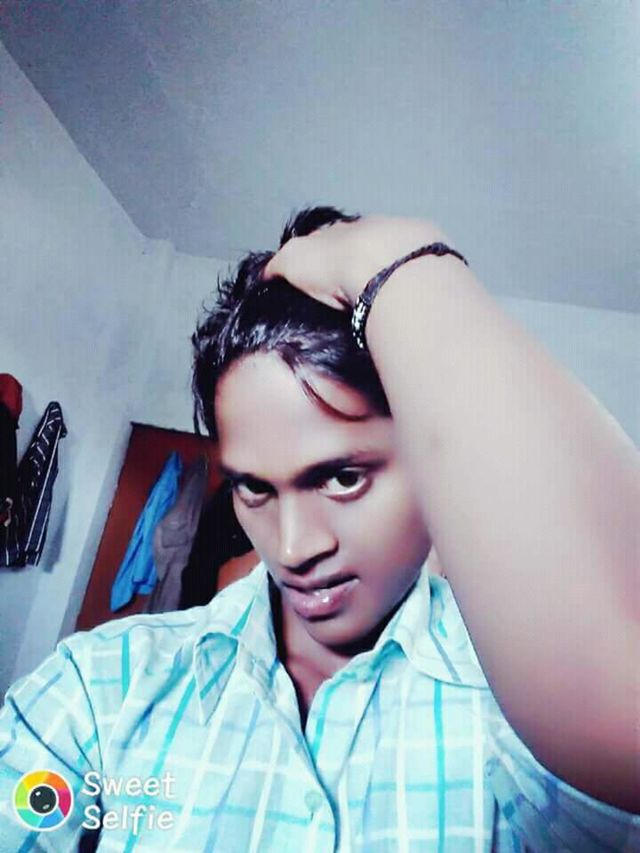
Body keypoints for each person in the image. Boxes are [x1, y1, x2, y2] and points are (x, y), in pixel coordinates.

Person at [0, 207, 638, 851]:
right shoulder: (101, 688)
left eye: (342, 477)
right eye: (254, 488)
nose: (292, 547)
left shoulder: (512, 708)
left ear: (432, 463)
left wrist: (398, 261)